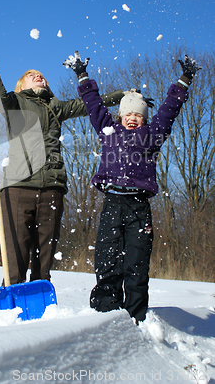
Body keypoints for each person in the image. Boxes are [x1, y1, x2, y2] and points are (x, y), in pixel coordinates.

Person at [0, 47, 125, 285]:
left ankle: (41, 300)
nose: (39, 75)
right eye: (31, 74)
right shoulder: (14, 102)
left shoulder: (55, 107)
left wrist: (124, 96)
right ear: (21, 86)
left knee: (45, 252)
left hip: (52, 186)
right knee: (16, 251)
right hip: (18, 185)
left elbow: (89, 105)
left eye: (41, 75)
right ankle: (12, 296)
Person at [63, 51, 201, 323]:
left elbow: (169, 110)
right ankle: (104, 312)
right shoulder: (108, 131)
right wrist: (82, 75)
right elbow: (93, 105)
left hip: (138, 206)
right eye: (128, 113)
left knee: (136, 264)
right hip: (113, 204)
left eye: (138, 114)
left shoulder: (152, 135)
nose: (132, 117)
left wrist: (184, 79)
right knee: (107, 259)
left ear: (144, 119)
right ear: (120, 115)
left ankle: (136, 316)